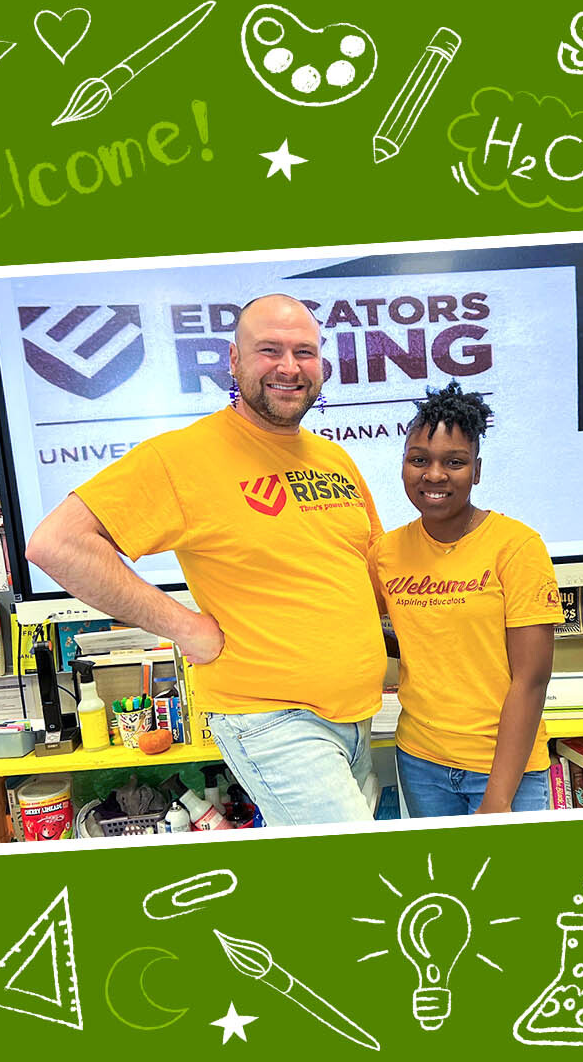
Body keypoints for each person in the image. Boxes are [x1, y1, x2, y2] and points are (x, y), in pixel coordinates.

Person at [26, 294, 387, 826]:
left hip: (359, 718)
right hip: (273, 719)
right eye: (270, 350)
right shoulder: (182, 457)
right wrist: (183, 626)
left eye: (305, 352)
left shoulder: (333, 458)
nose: (290, 367)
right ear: (234, 361)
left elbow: (372, 572)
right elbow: (55, 543)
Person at [370, 381, 563, 817]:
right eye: (419, 460)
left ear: (476, 470)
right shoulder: (386, 553)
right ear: (403, 465)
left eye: (453, 462)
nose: (434, 475)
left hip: (505, 768)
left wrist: (498, 796)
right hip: (420, 761)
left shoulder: (516, 546)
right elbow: (356, 628)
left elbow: (531, 680)